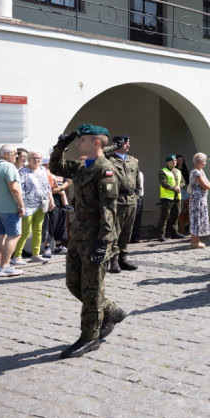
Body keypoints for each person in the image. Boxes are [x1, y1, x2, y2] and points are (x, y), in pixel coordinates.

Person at [50, 124, 126, 359]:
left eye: (81, 140)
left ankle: (89, 337)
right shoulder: (82, 166)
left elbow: (109, 209)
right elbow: (56, 167)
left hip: (95, 236)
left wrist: (104, 242)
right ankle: (112, 310)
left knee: (92, 292)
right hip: (78, 234)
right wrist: (60, 146)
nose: (77, 143)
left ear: (96, 143)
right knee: (74, 284)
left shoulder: (105, 170)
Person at [0, 145, 25, 276]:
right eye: (15, 153)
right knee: (14, 235)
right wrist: (21, 205)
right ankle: (5, 266)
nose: (17, 156)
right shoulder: (8, 166)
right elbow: (14, 188)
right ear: (7, 154)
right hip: (8, 208)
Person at [104, 135, 141, 273]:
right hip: (116, 200)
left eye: (128, 143)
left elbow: (137, 179)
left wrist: (137, 195)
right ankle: (113, 261)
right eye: (125, 143)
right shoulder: (109, 159)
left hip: (131, 199)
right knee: (115, 231)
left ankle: (123, 259)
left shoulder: (132, 160)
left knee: (127, 231)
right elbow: (99, 154)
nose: (128, 145)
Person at [11, 150, 55, 265]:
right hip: (27, 205)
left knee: (38, 230)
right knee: (25, 231)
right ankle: (16, 256)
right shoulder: (22, 171)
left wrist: (51, 199)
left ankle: (35, 254)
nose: (37, 160)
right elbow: (20, 189)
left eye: (39, 158)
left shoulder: (43, 170)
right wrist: (21, 205)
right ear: (29, 159)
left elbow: (47, 186)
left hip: (41, 204)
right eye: (34, 158)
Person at [42, 156, 71, 258]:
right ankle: (46, 247)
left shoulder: (59, 171)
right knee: (49, 225)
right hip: (50, 201)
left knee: (60, 224)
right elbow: (46, 188)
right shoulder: (43, 173)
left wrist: (61, 188)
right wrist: (59, 191)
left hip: (60, 202)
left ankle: (58, 246)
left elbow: (67, 181)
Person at [158, 154, 185, 241]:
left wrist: (180, 187)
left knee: (176, 215)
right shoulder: (163, 171)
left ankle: (175, 232)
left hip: (177, 197)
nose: (174, 162)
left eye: (175, 161)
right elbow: (164, 183)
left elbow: (183, 181)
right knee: (165, 216)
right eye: (172, 161)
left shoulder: (178, 171)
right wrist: (174, 188)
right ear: (168, 162)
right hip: (167, 197)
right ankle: (162, 234)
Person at [188, 153, 210, 249]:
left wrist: (208, 184)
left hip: (201, 199)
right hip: (196, 200)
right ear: (199, 162)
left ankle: (197, 240)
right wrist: (208, 185)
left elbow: (207, 184)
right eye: (204, 161)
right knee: (196, 219)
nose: (205, 163)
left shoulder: (200, 171)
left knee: (199, 219)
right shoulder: (196, 172)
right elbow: (206, 185)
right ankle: (194, 242)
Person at [176, 155, 191, 235]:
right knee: (179, 209)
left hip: (186, 190)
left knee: (186, 209)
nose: (181, 161)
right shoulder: (175, 170)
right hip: (179, 190)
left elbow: (188, 180)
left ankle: (185, 226)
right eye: (179, 160)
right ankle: (179, 227)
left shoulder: (185, 170)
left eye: (182, 160)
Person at [130, 170, 144, 243]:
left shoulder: (140, 173)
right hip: (132, 197)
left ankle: (135, 236)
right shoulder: (129, 173)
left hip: (139, 197)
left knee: (137, 218)